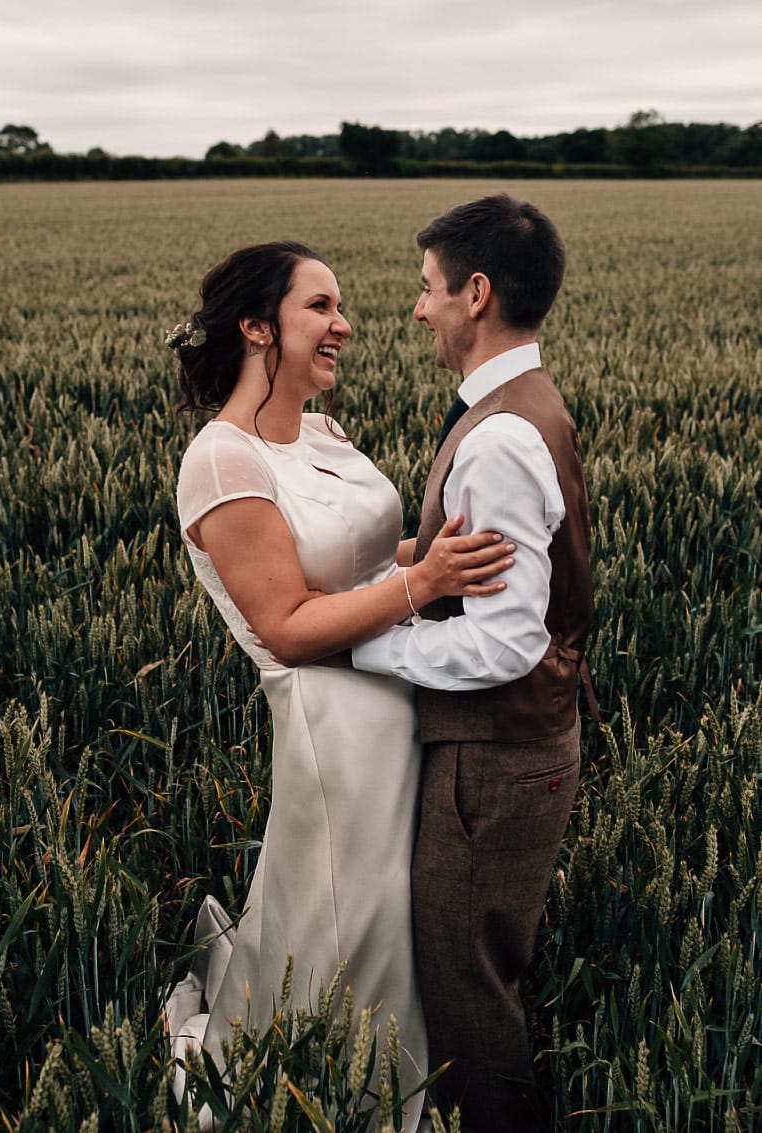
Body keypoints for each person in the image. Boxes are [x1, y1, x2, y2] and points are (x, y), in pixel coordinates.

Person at [161, 241, 517, 1129]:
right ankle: (330, 1098)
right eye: (320, 306)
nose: (344, 324)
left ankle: (383, 1084)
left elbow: (351, 560)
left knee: (395, 921)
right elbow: (285, 624)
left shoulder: (318, 431)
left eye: (341, 305)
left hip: (399, 697)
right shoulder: (222, 463)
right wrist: (424, 585)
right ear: (255, 327)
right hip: (333, 727)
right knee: (350, 920)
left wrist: (437, 557)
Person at [349, 195, 592, 1131]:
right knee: (476, 972)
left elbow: (504, 639)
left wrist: (365, 640)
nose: (419, 309)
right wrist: (409, 572)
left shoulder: (499, 433)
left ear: (475, 292)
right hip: (519, 743)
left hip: (494, 758)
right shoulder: (525, 406)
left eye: (427, 288)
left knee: (466, 988)